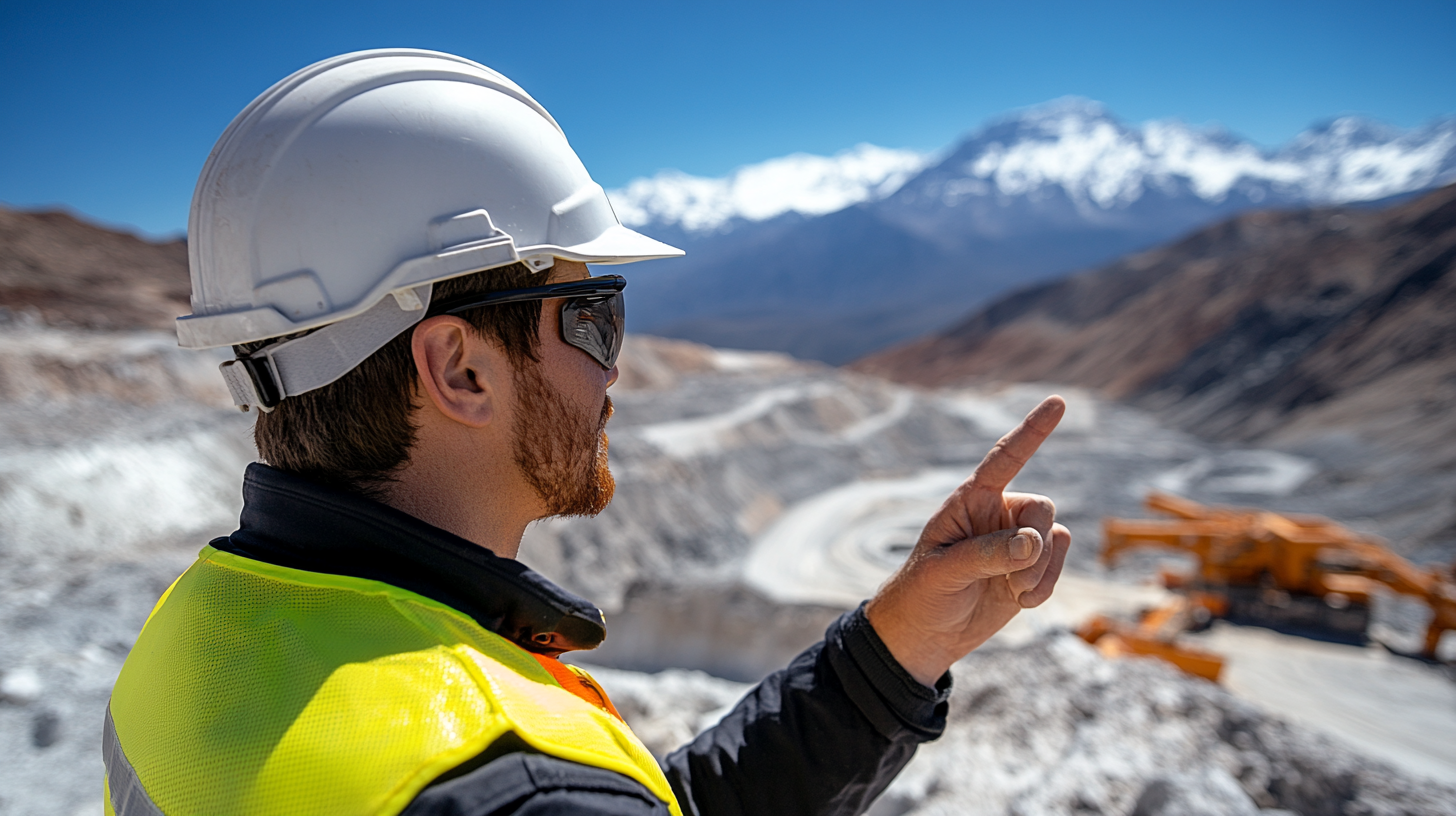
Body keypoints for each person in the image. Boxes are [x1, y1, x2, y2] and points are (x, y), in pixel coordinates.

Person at [103, 49, 1071, 816]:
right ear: (462, 370)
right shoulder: (504, 776)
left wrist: (894, 652)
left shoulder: (199, 629)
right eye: (592, 317)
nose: (613, 370)